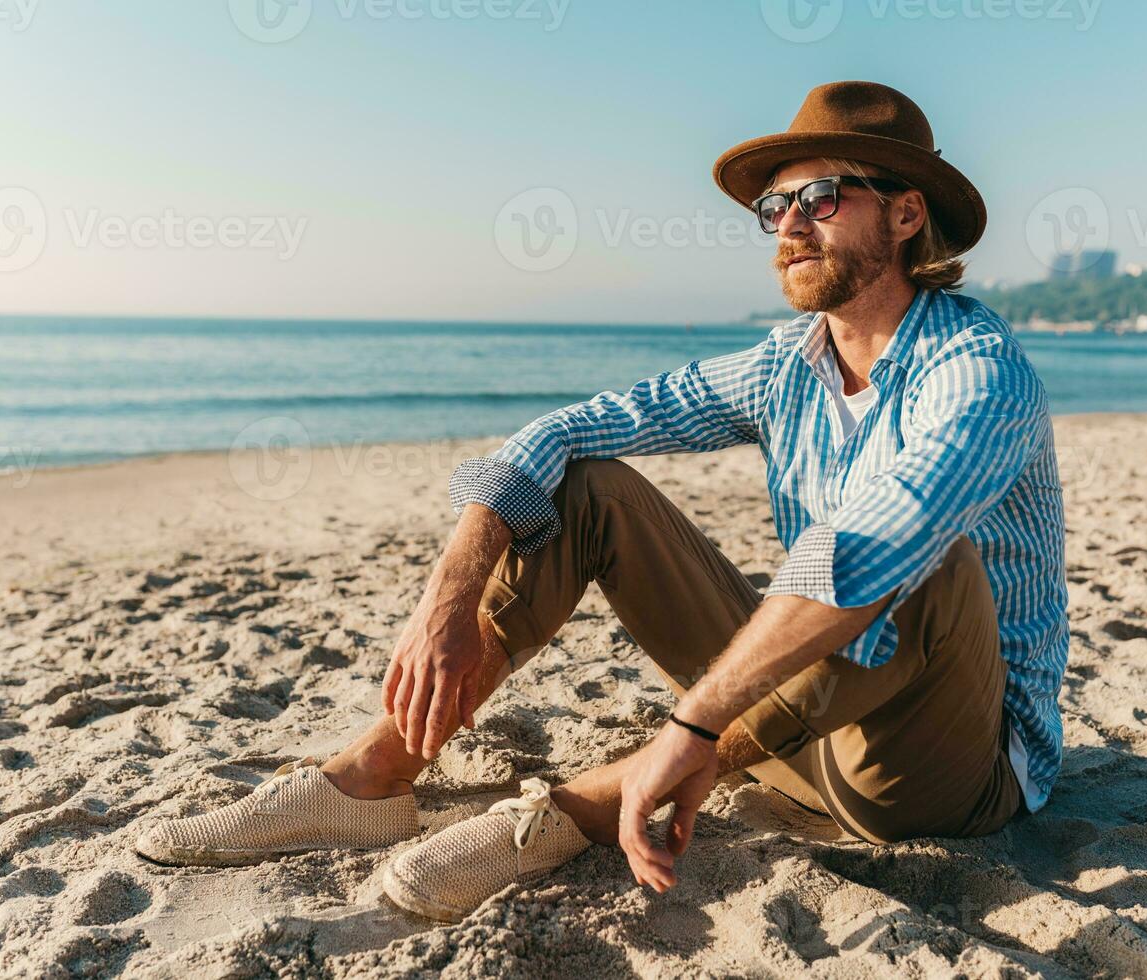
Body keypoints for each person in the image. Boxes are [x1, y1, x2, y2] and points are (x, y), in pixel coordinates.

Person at [134, 81, 1069, 925]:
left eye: (820, 198)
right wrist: (448, 595)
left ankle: (577, 807)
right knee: (588, 486)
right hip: (794, 737)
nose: (788, 225)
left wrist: (692, 722)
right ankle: (374, 777)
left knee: (915, 560)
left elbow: (869, 556)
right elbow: (569, 430)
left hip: (943, 774)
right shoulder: (790, 364)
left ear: (907, 216)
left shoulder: (977, 372)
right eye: (774, 206)